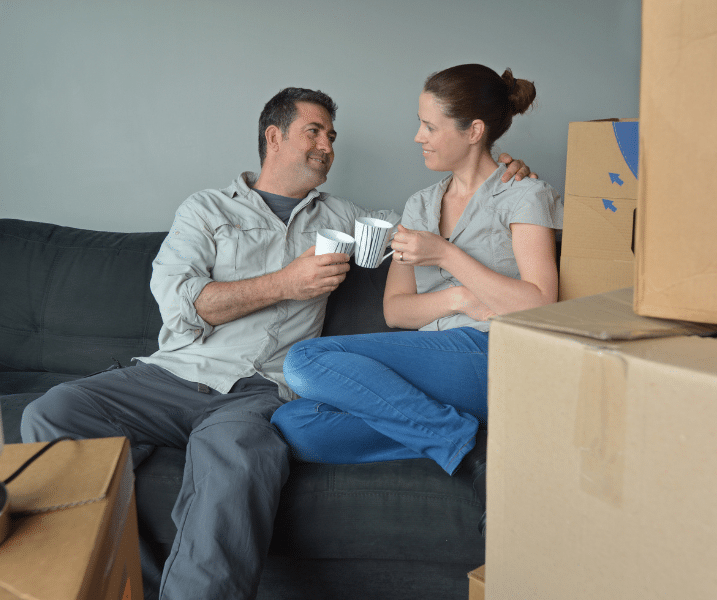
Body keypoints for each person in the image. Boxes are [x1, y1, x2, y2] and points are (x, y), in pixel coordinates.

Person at [20, 85, 532, 600]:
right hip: (173, 374)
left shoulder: (343, 218)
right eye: (314, 131)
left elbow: (428, 232)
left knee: (238, 461)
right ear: (273, 136)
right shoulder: (205, 210)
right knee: (54, 410)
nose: (327, 146)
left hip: (263, 389)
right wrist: (287, 283)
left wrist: (495, 174)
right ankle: (110, 578)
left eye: (331, 136)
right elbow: (182, 304)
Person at [271, 64, 563, 535]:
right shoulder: (421, 205)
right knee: (297, 423)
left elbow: (540, 304)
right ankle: (469, 441)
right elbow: (397, 311)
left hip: (496, 356)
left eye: (429, 126)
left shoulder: (522, 193)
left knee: (305, 360)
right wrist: (459, 297)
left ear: (474, 131)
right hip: (435, 362)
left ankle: (461, 445)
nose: (417, 136)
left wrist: (445, 253)